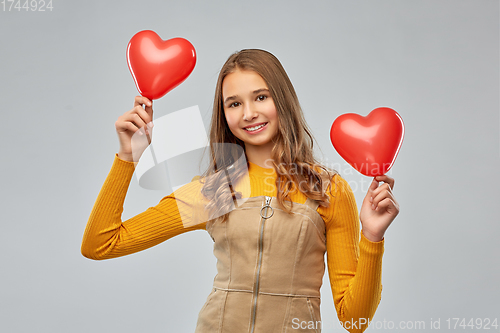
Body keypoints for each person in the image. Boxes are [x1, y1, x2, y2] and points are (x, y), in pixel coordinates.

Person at [81, 49, 400, 333]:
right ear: (224, 114)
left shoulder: (328, 191)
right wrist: (127, 157)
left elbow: (355, 320)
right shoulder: (211, 191)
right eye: (234, 103)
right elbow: (101, 244)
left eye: (261, 97)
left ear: (282, 100)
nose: (248, 113)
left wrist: (372, 237)